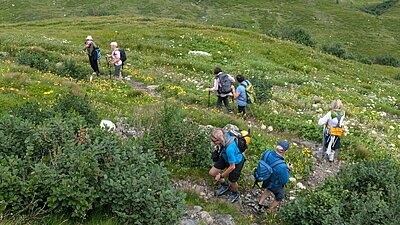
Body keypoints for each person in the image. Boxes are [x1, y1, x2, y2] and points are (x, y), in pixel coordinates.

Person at [209, 128, 245, 203]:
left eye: (213, 141)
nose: (211, 141)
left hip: (236, 162)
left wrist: (221, 176)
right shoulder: (225, 135)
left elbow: (232, 167)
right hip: (225, 157)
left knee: (232, 181)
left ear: (219, 140)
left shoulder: (230, 149)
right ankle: (224, 185)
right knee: (212, 172)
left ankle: (235, 194)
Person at [257, 140, 293, 212]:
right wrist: (288, 169)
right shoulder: (282, 166)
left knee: (268, 189)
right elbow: (284, 181)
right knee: (279, 197)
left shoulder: (267, 153)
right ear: (284, 151)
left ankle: (260, 204)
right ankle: (269, 211)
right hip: (274, 183)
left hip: (265, 178)